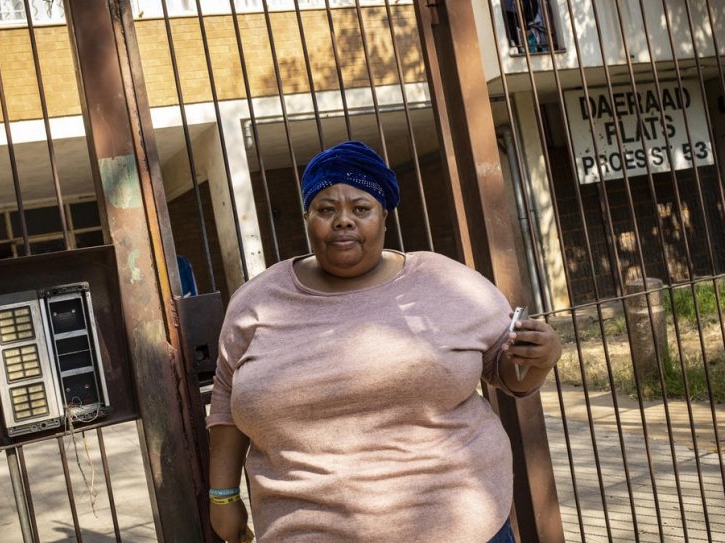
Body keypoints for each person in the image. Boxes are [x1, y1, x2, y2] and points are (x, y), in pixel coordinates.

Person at [206, 141, 563, 542]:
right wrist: (222, 497)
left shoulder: (445, 282)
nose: (343, 221)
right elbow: (225, 401)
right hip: (305, 528)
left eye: (361, 209)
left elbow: (508, 374)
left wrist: (539, 358)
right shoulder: (256, 302)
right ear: (307, 217)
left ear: (384, 217)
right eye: (326, 209)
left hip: (458, 525)